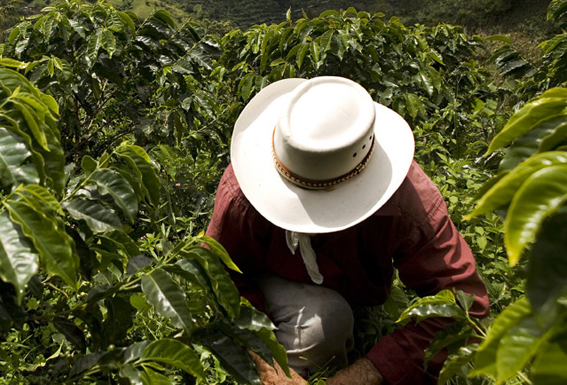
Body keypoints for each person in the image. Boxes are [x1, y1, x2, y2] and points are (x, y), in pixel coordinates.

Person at [206, 76, 488, 385]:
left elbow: (463, 304)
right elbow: (218, 277)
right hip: (268, 281)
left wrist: (366, 374)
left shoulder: (408, 201)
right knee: (323, 324)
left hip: (354, 294)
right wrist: (266, 362)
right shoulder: (245, 192)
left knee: (331, 320)